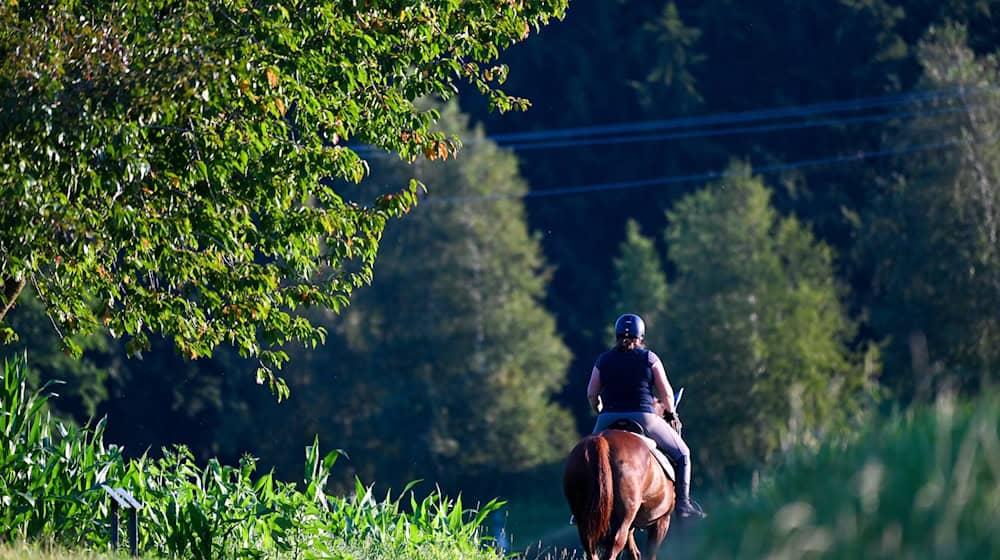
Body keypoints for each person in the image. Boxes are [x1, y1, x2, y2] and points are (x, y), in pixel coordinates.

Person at [587, 313, 706, 519]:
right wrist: (671, 413)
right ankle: (683, 504)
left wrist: (599, 410)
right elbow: (667, 393)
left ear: (616, 335)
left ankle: (586, 505)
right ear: (640, 336)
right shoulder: (649, 358)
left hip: (607, 418)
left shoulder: (603, 360)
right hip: (644, 418)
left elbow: (591, 393)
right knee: (683, 453)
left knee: (590, 459)